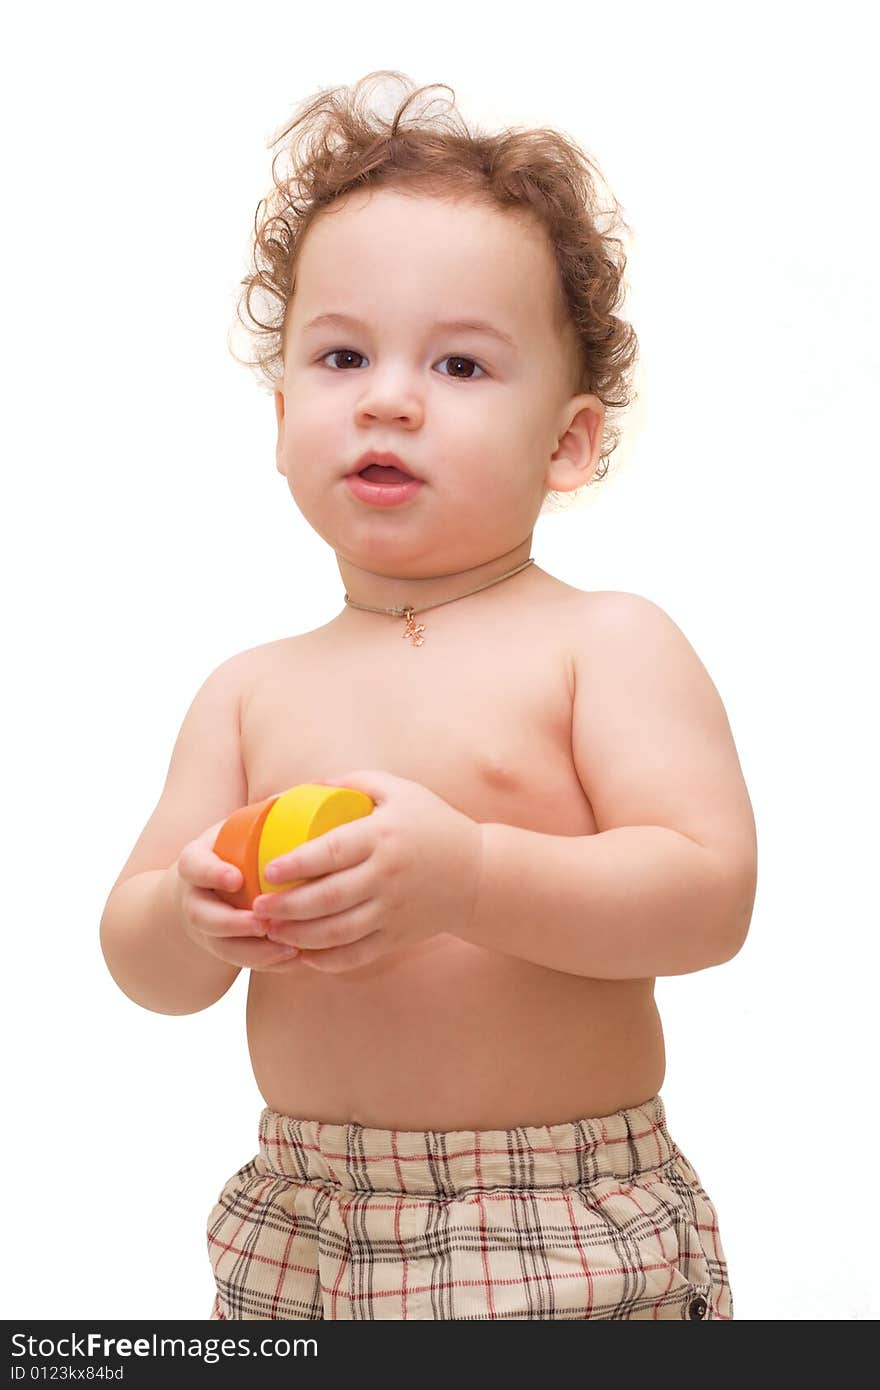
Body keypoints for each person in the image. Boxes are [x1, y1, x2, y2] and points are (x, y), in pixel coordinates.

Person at [99, 71, 756, 1321]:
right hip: (304, 1219)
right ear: (284, 410)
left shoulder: (601, 646)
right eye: (342, 354)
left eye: (459, 363)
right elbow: (140, 956)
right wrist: (190, 920)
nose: (389, 395)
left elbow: (707, 898)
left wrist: (469, 878)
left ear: (565, 443)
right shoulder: (248, 690)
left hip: (558, 1218)